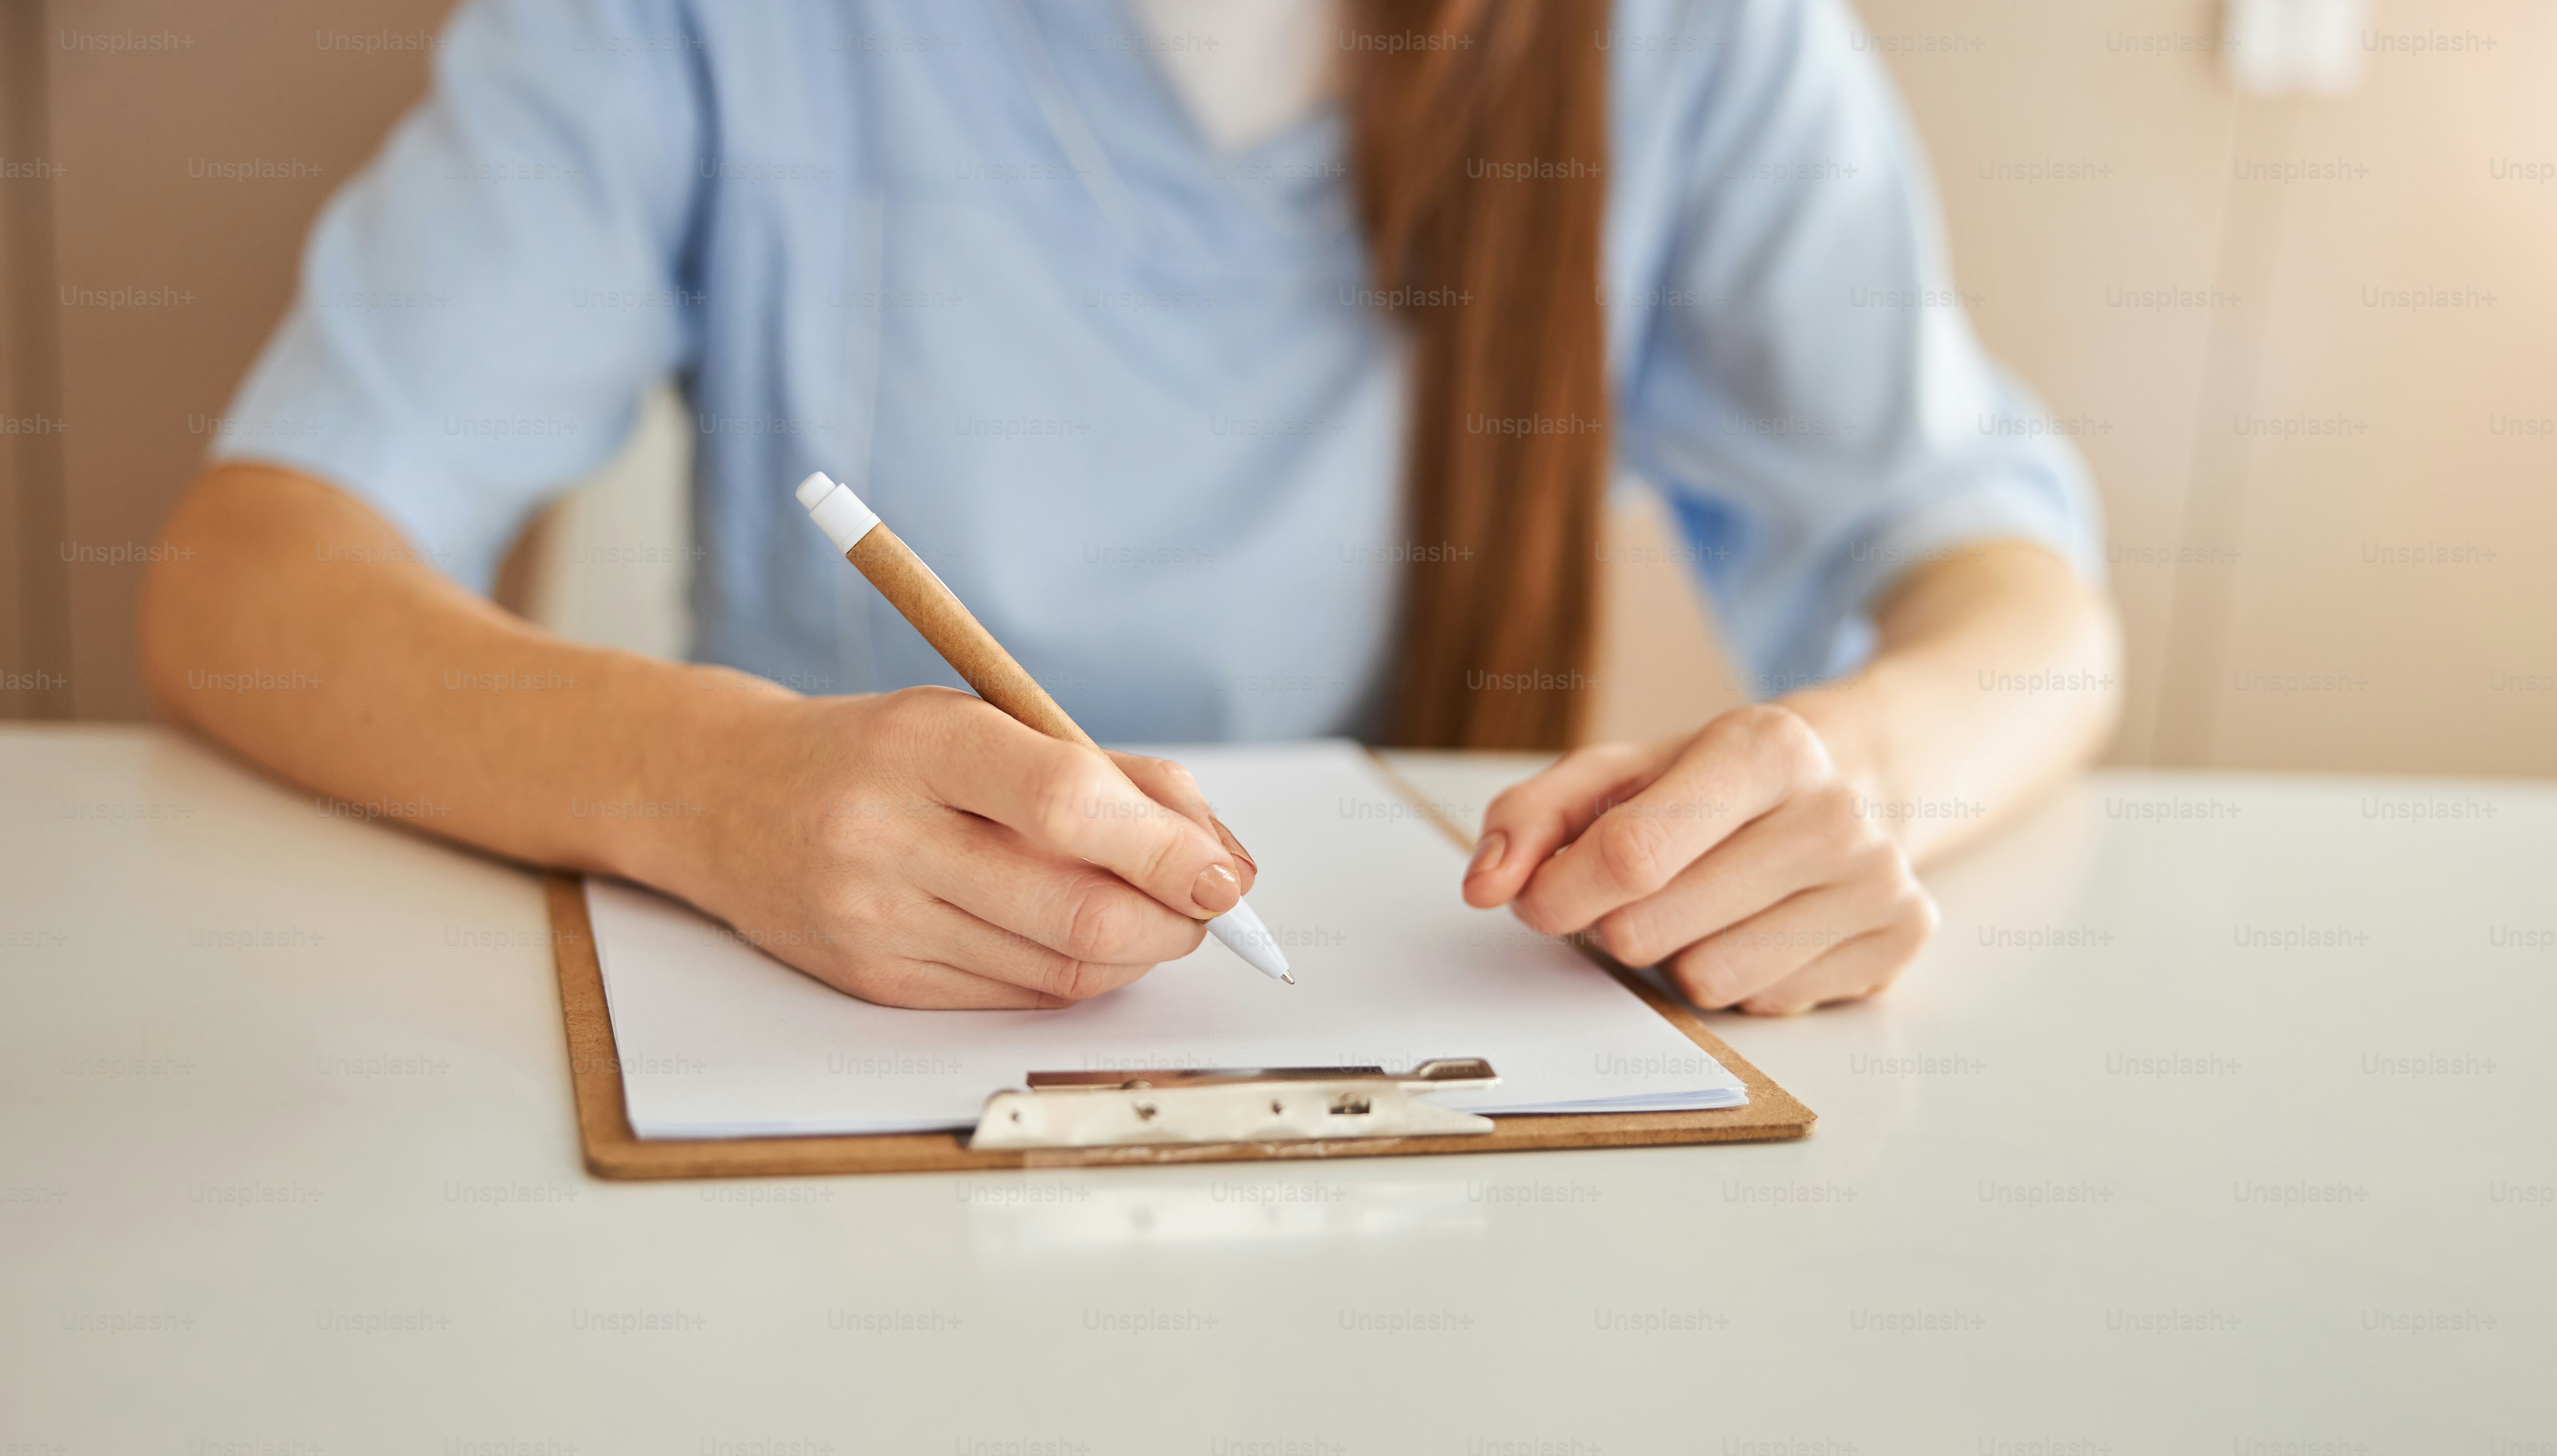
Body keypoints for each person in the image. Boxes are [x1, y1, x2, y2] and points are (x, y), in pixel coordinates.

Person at [140, 0, 2120, 1015]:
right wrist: (709, 780)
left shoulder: (1692, 38)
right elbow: (253, 574)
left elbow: (2022, 611)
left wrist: (1857, 784)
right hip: (834, 1069)